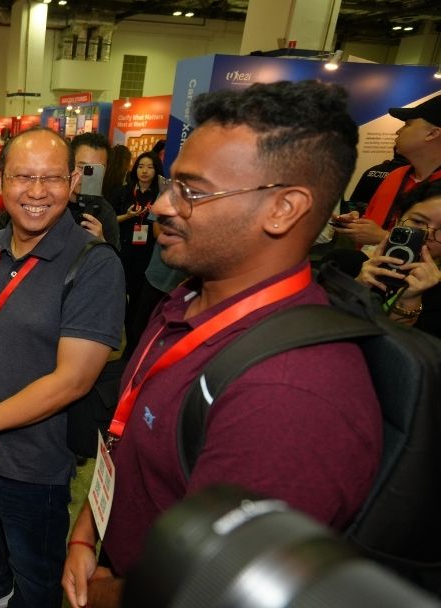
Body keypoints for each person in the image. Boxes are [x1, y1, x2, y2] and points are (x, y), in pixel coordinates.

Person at [62, 80, 383, 608]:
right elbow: (131, 448)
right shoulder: (182, 302)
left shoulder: (292, 394)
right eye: (171, 184)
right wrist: (86, 532)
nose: (163, 205)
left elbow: (223, 591)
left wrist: (105, 597)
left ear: (283, 209)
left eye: (192, 190)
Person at [0, 128, 125, 608]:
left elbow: (73, 379)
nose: (36, 192)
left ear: (74, 181)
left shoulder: (94, 264)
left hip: (33, 458)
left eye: (51, 178)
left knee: (35, 566)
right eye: (22, 177)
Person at [335, 95, 441, 247]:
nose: (398, 131)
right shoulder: (396, 175)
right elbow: (374, 222)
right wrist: (358, 224)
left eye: (407, 124)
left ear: (432, 134)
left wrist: (384, 238)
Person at [355, 183, 441, 339]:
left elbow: (405, 356)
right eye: (418, 222)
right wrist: (357, 286)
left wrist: (410, 301)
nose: (427, 233)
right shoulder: (347, 262)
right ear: (397, 220)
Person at [111, 152, 166, 348]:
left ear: (156, 170)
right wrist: (127, 216)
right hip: (123, 251)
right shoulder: (123, 192)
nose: (144, 171)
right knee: (118, 297)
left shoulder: (161, 195)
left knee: (138, 301)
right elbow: (109, 222)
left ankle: (132, 346)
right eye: (141, 166)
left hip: (146, 255)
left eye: (150, 167)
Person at [66, 132, 120, 249]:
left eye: (96, 170)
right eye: (82, 167)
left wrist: (101, 245)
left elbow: (114, 264)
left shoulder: (106, 213)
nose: (87, 176)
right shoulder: (50, 202)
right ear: (69, 163)